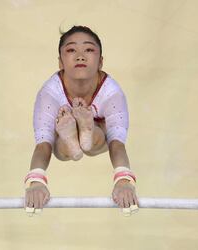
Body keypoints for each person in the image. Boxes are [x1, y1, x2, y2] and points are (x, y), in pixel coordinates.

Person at [24, 26, 139, 216]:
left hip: (96, 137)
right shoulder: (49, 94)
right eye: (71, 50)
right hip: (73, 142)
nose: (80, 56)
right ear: (60, 62)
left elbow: (116, 142)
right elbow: (44, 143)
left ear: (101, 61)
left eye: (89, 49)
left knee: (94, 136)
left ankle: (83, 133)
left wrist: (124, 183)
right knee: (60, 142)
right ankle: (76, 137)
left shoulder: (112, 93)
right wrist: (35, 184)